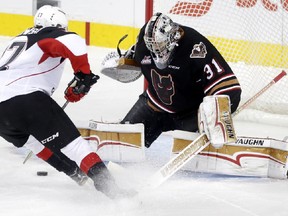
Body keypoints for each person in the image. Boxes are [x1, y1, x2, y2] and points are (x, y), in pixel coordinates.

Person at [0, 5, 133, 199]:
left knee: (36, 144)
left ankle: (77, 175)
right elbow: (74, 41)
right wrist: (83, 76)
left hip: (2, 112)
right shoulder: (48, 33)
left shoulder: (19, 39)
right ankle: (114, 192)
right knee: (76, 146)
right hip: (26, 99)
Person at [120, 12, 242, 148]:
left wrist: (217, 120)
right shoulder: (143, 45)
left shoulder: (196, 47)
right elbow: (134, 61)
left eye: (161, 47)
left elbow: (230, 89)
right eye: (153, 48)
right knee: (123, 144)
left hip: (191, 114)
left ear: (174, 37)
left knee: (188, 165)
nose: (158, 53)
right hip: (155, 104)